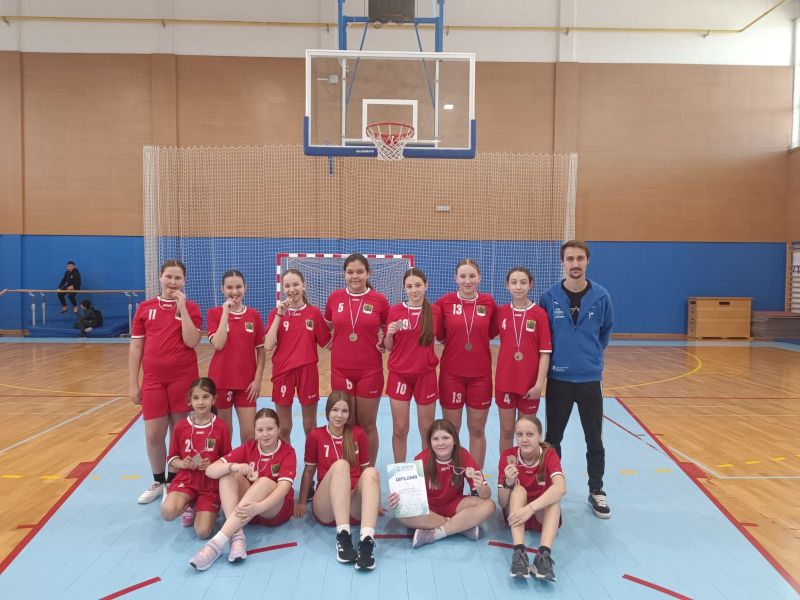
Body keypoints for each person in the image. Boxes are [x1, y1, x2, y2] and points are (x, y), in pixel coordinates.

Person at [539, 240, 613, 518]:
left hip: (590, 379)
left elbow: (605, 333)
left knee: (594, 437)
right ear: (563, 262)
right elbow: (545, 338)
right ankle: (552, 489)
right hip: (558, 379)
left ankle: (597, 489)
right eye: (570, 259)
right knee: (553, 438)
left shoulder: (602, 296)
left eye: (580, 258)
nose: (575, 264)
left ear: (587, 261)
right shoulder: (549, 297)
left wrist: (588, 358)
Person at [129, 259, 202, 504]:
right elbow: (136, 347)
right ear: (160, 277)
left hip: (183, 379)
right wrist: (133, 382)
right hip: (152, 381)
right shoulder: (145, 308)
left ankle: (174, 481)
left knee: (179, 434)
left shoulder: (191, 307)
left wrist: (182, 310)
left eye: (178, 278)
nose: (173, 282)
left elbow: (192, 341)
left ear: (184, 281)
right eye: (169, 277)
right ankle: (158, 481)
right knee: (153, 435)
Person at [189, 408, 296, 571]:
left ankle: (216, 544)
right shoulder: (248, 448)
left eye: (270, 429)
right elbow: (210, 471)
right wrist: (234, 466)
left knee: (264, 482)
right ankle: (237, 535)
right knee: (227, 474)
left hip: (274, 510)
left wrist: (259, 507)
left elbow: (283, 488)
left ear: (278, 429)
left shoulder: (288, 452)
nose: (265, 434)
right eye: (260, 430)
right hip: (247, 512)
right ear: (254, 431)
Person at [294, 391, 381, 571]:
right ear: (327, 411)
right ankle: (343, 536)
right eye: (335, 410)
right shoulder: (316, 435)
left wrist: (373, 503)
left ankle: (366, 543)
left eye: (344, 411)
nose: (339, 415)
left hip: (352, 506)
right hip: (327, 508)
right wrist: (302, 502)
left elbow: (365, 473)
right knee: (342, 465)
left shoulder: (358, 433)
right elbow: (309, 471)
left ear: (349, 413)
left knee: (372, 472)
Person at [324, 253, 389, 466]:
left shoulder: (379, 300)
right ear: (344, 274)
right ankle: (351, 471)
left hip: (370, 371)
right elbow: (328, 326)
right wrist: (334, 342)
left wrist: (383, 341)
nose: (355, 276)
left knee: (367, 424)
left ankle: (368, 471)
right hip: (340, 370)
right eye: (350, 272)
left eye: (360, 272)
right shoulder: (334, 298)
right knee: (347, 424)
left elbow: (388, 329)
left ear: (368, 273)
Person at [388, 418, 494, 547]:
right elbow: (410, 497)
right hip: (429, 508)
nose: (440, 443)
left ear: (454, 440)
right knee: (401, 512)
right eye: (435, 439)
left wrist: (481, 487)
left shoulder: (462, 455)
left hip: (454, 504)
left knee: (489, 505)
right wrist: (397, 498)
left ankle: (435, 533)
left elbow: (486, 495)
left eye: (445, 438)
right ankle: (461, 525)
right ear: (430, 442)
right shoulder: (421, 458)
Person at [435, 259, 498, 468]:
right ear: (456, 278)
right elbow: (440, 334)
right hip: (451, 375)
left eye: (472, 276)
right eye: (463, 276)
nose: (467, 281)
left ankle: (476, 478)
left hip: (480, 376)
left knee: (477, 429)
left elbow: (491, 332)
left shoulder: (488, 302)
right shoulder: (445, 302)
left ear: (479, 278)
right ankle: (452, 476)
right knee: (451, 430)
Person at [264, 269, 331, 443]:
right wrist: (279, 315)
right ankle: (287, 459)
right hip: (283, 373)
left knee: (310, 425)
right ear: (283, 288)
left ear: (304, 286)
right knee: (284, 427)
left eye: (295, 284)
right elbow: (268, 345)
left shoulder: (314, 313)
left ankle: (311, 458)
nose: (292, 289)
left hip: (307, 371)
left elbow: (328, 344)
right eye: (287, 286)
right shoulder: (276, 313)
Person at [161, 378, 231, 540]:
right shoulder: (181, 427)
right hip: (186, 479)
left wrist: (213, 464)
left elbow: (227, 458)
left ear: (214, 399)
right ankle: (190, 504)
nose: (200, 402)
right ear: (190, 400)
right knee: (167, 512)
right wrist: (182, 463)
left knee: (203, 532)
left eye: (205, 397)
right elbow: (171, 458)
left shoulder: (221, 427)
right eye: (196, 398)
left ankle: (205, 505)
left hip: (210, 484)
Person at [497, 414, 565, 581]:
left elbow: (561, 488)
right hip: (516, 515)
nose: (524, 439)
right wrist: (508, 482)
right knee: (518, 490)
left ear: (539, 436)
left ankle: (543, 556)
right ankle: (519, 553)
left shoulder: (549, 454)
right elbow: (502, 502)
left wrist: (530, 509)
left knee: (554, 497)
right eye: (520, 434)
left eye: (530, 434)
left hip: (540, 514)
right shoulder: (508, 456)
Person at [383, 267, 441, 462]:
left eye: (418, 285)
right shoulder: (395, 311)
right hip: (399, 375)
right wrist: (389, 334)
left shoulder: (435, 311)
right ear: (404, 288)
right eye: (409, 286)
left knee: (427, 429)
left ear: (426, 285)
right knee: (400, 429)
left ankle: (427, 470)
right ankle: (401, 472)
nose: (414, 290)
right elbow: (389, 347)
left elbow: (445, 337)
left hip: (426, 375)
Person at [495, 267, 552, 452]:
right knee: (506, 431)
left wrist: (539, 385)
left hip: (529, 386)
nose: (518, 287)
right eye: (514, 282)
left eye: (523, 282)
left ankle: (526, 466)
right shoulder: (501, 312)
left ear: (530, 284)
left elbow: (545, 353)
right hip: (505, 382)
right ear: (507, 285)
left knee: (526, 433)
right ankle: (505, 468)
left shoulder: (540, 314)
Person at [207, 270, 265, 444]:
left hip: (247, 384)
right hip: (221, 381)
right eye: (229, 287)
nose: (234, 292)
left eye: (238, 287)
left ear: (245, 287)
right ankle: (226, 462)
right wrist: (226, 313)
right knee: (224, 434)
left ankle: (246, 462)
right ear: (222, 289)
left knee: (249, 434)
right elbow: (218, 344)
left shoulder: (254, 315)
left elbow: (261, 351)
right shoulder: (214, 313)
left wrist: (257, 380)